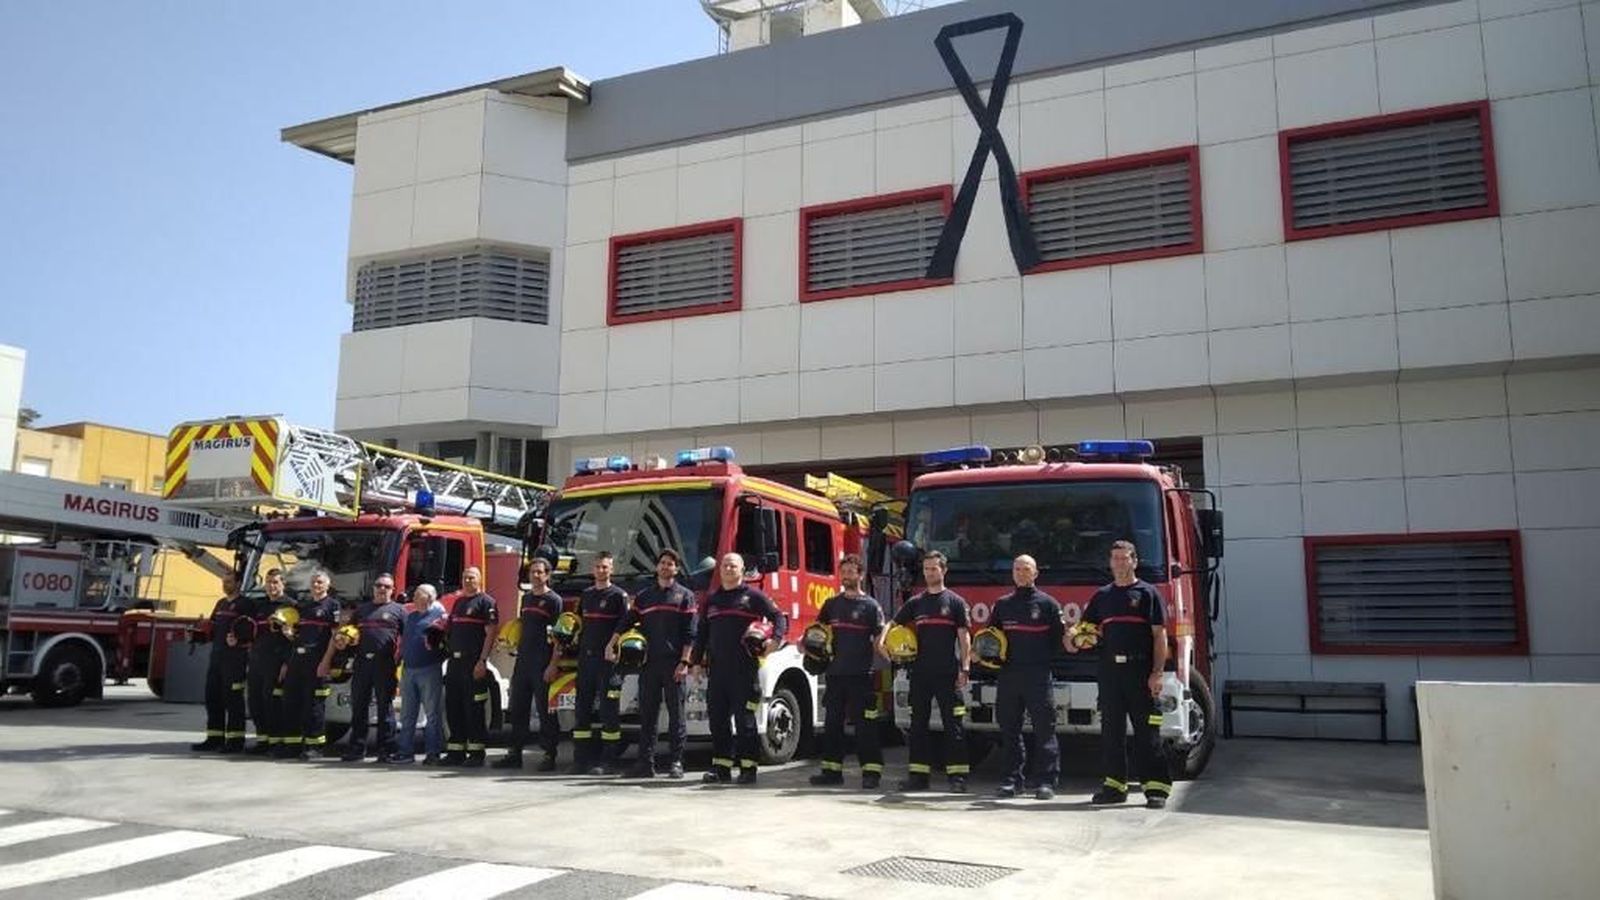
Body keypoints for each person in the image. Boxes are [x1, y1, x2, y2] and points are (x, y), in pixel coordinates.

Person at [1071, 540, 1173, 809]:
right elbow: (1084, 631)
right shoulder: (1102, 596)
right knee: (1111, 732)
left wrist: (1157, 673)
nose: (1119, 562)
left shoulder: (1148, 594)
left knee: (1147, 732)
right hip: (1110, 673)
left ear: (1134, 561)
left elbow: (1159, 636)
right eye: (1114, 558)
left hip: (1140, 672)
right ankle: (1114, 787)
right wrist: (1073, 637)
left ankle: (1156, 789)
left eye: (1124, 558)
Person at [694, 552, 786, 786]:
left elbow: (778, 617)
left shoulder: (752, 596)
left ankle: (748, 769)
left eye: (733, 566)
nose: (727, 569)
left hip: (744, 671)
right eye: (724, 565)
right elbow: (702, 632)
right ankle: (721, 768)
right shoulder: (712, 599)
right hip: (717, 672)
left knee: (745, 722)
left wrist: (774, 641)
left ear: (742, 570)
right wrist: (695, 662)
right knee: (718, 722)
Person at [608, 549, 696, 779]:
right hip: (648, 664)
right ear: (657, 567)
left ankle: (676, 762)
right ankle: (645, 763)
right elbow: (627, 621)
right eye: (662, 563)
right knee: (647, 715)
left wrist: (685, 661)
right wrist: (612, 643)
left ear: (676, 569)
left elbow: (690, 633)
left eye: (670, 564)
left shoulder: (685, 596)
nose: (666, 567)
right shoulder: (645, 596)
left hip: (674, 664)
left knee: (677, 715)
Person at [891, 550, 971, 793]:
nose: (929, 573)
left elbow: (964, 638)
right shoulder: (916, 602)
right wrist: (885, 643)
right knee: (917, 727)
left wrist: (965, 668)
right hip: (920, 675)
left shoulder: (955, 602)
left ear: (944, 571)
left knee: (953, 727)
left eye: (934, 569)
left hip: (948, 674)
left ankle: (957, 778)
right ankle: (918, 777)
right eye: (926, 569)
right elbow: (894, 625)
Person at [808, 554, 886, 790]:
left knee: (865, 726)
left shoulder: (871, 606)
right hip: (834, 675)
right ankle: (831, 772)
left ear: (861, 575)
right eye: (844, 572)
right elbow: (817, 632)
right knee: (832, 725)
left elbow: (880, 639)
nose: (847, 576)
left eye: (852, 572)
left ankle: (871, 773)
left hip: (861, 675)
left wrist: (886, 658)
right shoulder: (831, 605)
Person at [990, 555, 1065, 800]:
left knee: (1045, 729)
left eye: (1026, 569)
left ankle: (1046, 782)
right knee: (1009, 730)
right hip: (1009, 675)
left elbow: (1058, 641)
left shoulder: (1048, 604)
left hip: (1038, 675)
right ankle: (1012, 780)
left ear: (1036, 573)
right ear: (1012, 573)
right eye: (1017, 569)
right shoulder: (1002, 605)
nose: (1021, 573)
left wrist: (1039, 661)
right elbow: (991, 638)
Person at [493, 558, 565, 772]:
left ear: (547, 575)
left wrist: (553, 664)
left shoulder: (554, 600)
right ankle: (514, 754)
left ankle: (549, 754)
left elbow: (559, 636)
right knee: (518, 710)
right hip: (523, 661)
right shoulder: (526, 599)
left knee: (545, 711)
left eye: (539, 572)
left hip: (542, 662)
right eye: (532, 572)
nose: (535, 575)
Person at [569, 552, 629, 775]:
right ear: (593, 570)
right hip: (586, 660)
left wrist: (613, 646)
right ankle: (580, 760)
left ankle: (608, 761)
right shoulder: (586, 595)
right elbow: (577, 623)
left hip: (608, 662)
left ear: (611, 569)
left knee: (608, 712)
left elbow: (625, 625)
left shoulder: (618, 596)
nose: (601, 570)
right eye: (597, 567)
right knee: (582, 710)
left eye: (605, 567)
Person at [339, 574, 405, 762]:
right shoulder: (361, 611)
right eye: (378, 585)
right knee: (359, 707)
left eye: (387, 586)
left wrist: (400, 662)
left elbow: (407, 637)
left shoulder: (398, 611)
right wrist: (343, 641)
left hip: (385, 664)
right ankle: (357, 749)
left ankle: (386, 749)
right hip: (362, 663)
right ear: (373, 588)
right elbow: (348, 635)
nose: (382, 589)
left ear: (393, 589)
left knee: (385, 708)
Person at [443, 566, 498, 767]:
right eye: (465, 577)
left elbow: (491, 632)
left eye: (472, 577)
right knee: (453, 706)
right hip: (455, 663)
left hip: (473, 663)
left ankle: (476, 752)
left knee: (473, 708)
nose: (468, 581)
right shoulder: (458, 602)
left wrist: (482, 661)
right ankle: (456, 751)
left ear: (480, 580)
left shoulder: (486, 602)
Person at [282, 569, 340, 760]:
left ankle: (315, 747)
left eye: (320, 582)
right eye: (314, 582)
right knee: (292, 703)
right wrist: (290, 636)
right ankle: (293, 746)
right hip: (297, 661)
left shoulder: (332, 606)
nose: (316, 585)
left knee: (314, 706)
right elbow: (298, 635)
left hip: (317, 662)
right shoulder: (303, 606)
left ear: (328, 585)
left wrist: (326, 662)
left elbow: (334, 637)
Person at [191, 573, 252, 753]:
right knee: (213, 698)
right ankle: (214, 738)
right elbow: (212, 628)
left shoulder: (245, 604)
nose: (225, 585)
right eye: (224, 582)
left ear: (239, 583)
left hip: (235, 660)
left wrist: (240, 641)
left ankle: (235, 741)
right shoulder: (220, 604)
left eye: (229, 582)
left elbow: (251, 629)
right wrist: (196, 635)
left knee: (232, 700)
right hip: (216, 658)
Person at [390, 584, 447, 765]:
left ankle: (433, 752)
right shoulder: (411, 617)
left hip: (429, 669)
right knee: (407, 714)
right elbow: (403, 641)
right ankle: (405, 752)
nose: (413, 598)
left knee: (432, 714)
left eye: (417, 595)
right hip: (409, 670)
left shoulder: (439, 617)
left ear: (429, 598)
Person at [245, 569, 294, 755]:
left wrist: (287, 663)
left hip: (277, 662)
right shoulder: (259, 606)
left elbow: (295, 638)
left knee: (273, 703)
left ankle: (278, 743)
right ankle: (262, 741)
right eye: (269, 582)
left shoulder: (291, 606)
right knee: (255, 702)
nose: (272, 586)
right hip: (257, 660)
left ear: (283, 584)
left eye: (276, 582)